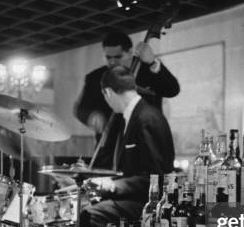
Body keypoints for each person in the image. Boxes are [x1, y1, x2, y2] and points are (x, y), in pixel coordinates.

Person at [33, 65, 175, 227]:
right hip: (132, 197)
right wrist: (99, 179)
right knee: (63, 212)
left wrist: (114, 186)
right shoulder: (132, 118)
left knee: (92, 215)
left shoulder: (147, 118)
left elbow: (158, 178)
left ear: (108, 93)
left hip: (147, 204)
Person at [73, 31, 179, 168]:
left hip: (142, 150)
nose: (112, 62)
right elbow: (80, 109)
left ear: (130, 52)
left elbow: (172, 90)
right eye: (108, 57)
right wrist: (91, 116)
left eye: (117, 57)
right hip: (109, 151)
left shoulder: (147, 71)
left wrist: (153, 62)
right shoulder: (96, 78)